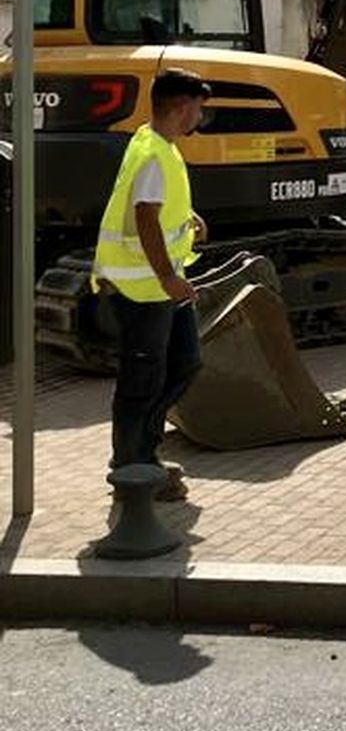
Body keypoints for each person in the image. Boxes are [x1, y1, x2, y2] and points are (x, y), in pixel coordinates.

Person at [93, 68, 211, 495]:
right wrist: (166, 277)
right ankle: (132, 467)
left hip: (161, 284)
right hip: (145, 288)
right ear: (182, 108)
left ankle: (142, 453)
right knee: (141, 381)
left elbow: (155, 208)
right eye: (198, 108)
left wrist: (188, 219)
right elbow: (145, 217)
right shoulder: (152, 154)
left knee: (184, 362)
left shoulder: (154, 141)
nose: (201, 116)